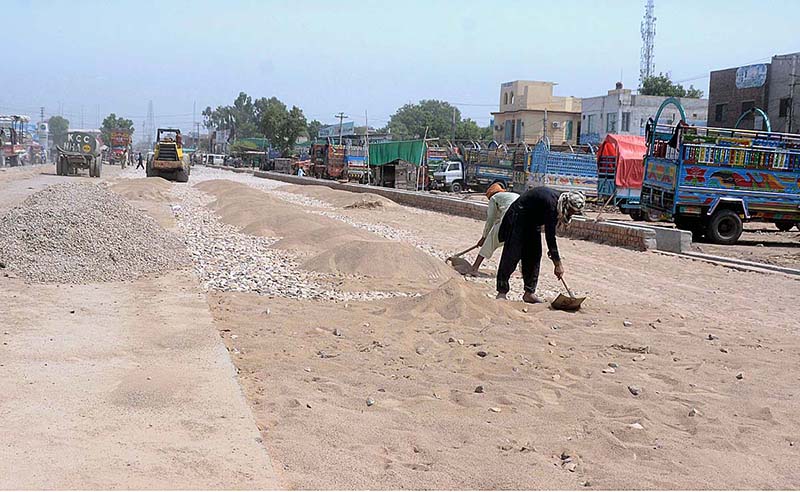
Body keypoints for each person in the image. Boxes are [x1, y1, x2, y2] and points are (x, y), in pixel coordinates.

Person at [495, 187, 585, 303]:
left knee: (534, 255)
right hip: (518, 218)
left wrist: (556, 261)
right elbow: (550, 237)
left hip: (532, 222)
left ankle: (529, 292)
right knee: (512, 254)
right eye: (571, 211)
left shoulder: (559, 203)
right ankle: (502, 292)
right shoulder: (552, 205)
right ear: (566, 205)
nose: (571, 214)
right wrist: (558, 264)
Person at [470, 182, 519, 274]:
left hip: (509, 219)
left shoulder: (494, 198)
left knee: (490, 241)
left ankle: (474, 268)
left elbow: (491, 219)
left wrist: (484, 237)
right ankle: (524, 273)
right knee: (520, 246)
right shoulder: (513, 195)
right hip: (523, 222)